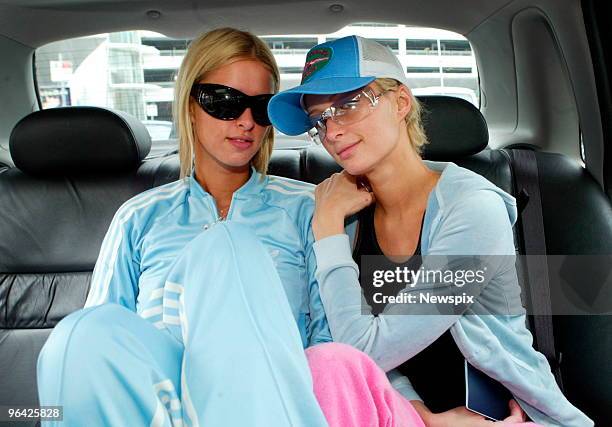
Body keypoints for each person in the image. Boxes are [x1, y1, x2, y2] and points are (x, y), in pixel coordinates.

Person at [267, 35, 593, 427]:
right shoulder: (344, 218)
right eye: (319, 120)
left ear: (401, 103)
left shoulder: (472, 209)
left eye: (348, 105)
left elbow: (360, 351)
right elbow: (336, 348)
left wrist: (326, 230)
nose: (331, 131)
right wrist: (421, 416)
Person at [36, 27, 334, 427]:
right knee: (83, 332)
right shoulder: (139, 217)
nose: (245, 121)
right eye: (224, 102)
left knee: (228, 249)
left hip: (268, 401)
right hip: (162, 408)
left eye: (260, 107)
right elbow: (105, 353)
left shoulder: (307, 207)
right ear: (189, 105)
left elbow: (332, 341)